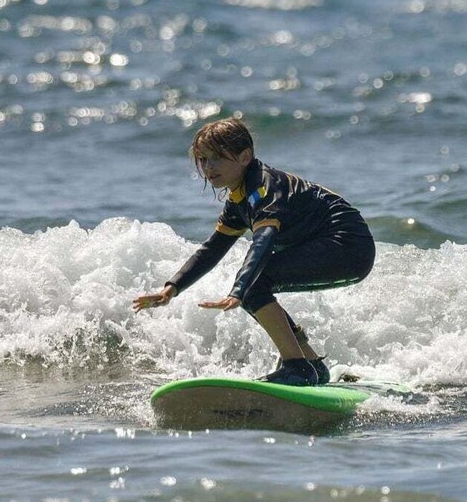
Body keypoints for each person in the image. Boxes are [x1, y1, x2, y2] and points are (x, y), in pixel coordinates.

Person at [133, 117, 375, 386]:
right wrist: (172, 288)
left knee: (253, 285)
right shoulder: (240, 198)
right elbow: (212, 249)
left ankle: (297, 367)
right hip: (340, 248)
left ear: (244, 156)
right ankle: (311, 364)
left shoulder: (265, 189)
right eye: (203, 160)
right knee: (254, 287)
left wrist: (238, 292)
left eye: (216, 158)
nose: (208, 167)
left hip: (348, 245)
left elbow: (263, 241)